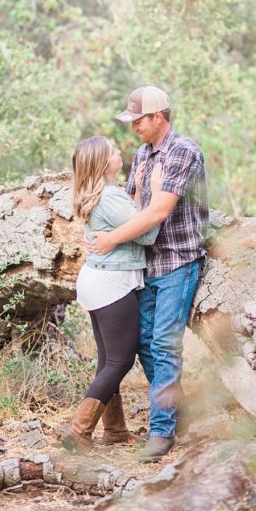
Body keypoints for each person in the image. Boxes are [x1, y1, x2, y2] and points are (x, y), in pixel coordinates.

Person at [86, 85, 209, 461]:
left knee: (165, 344)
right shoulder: (142, 154)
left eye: (138, 119)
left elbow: (156, 214)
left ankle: (161, 431)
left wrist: (109, 242)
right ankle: (175, 412)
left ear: (159, 117)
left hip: (177, 260)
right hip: (146, 264)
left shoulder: (183, 151)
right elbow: (135, 210)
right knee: (142, 343)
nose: (133, 127)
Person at [60, 136, 161, 452]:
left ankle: (115, 430)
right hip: (112, 284)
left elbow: (125, 217)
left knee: (107, 360)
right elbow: (148, 234)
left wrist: (136, 190)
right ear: (103, 163)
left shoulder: (100, 195)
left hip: (96, 281)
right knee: (120, 361)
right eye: (114, 150)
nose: (120, 152)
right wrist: (156, 193)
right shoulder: (109, 198)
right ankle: (78, 433)